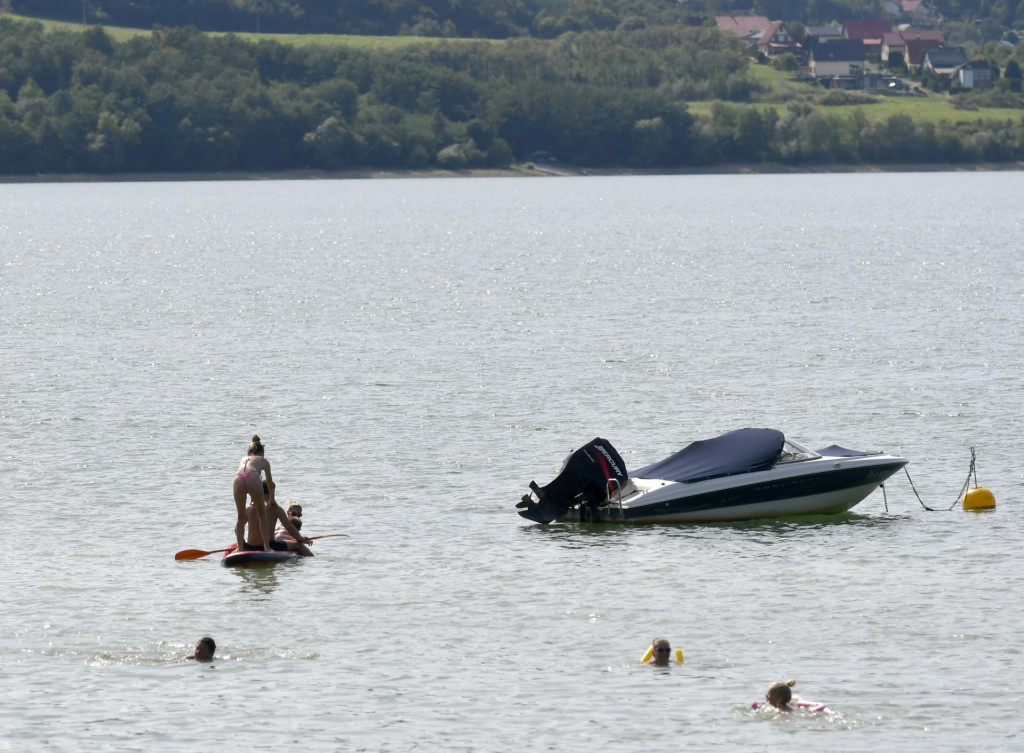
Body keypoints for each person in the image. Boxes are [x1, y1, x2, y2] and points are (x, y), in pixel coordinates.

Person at [243, 485, 314, 556]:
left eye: (299, 515)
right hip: (269, 545)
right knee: (299, 545)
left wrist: (241, 545)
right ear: (272, 492)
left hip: (250, 546)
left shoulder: (249, 508)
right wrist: (301, 539)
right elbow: (289, 527)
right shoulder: (275, 509)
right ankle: (314, 561)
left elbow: (238, 528)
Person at [232, 434, 274, 553]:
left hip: (238, 479)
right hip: (253, 477)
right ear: (261, 452)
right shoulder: (263, 461)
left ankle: (240, 548)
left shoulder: (242, 459)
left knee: (241, 517)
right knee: (262, 513)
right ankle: (266, 547)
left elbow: (244, 474)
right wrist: (272, 499)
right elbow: (269, 484)